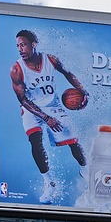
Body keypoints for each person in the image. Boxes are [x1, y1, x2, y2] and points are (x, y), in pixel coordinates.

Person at [10, 29, 89, 205]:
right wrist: (46, 118)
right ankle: (50, 183)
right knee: (35, 141)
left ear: (33, 44)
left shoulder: (51, 59)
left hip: (53, 106)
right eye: (18, 46)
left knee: (74, 141)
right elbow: (23, 100)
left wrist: (83, 91)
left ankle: (86, 171)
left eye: (23, 45)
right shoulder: (16, 69)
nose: (20, 49)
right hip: (31, 109)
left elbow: (68, 74)